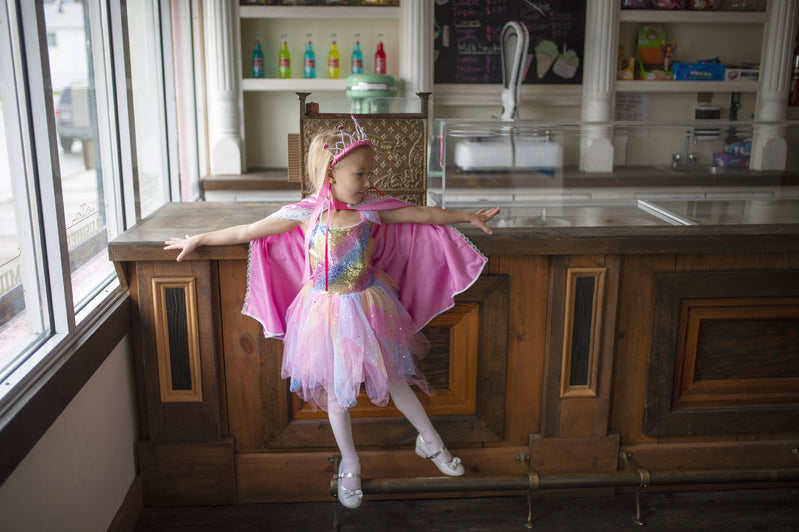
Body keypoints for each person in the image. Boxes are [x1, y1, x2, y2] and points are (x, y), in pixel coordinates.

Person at [164, 117, 499, 509]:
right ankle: (350, 463)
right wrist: (199, 239)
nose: (368, 181)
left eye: (369, 172)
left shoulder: (372, 211)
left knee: (395, 378)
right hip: (322, 316)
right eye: (361, 173)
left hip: (370, 307)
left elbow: (422, 214)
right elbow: (249, 231)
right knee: (337, 392)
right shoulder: (304, 213)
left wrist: (467, 217)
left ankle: (431, 441)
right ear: (331, 173)